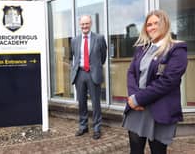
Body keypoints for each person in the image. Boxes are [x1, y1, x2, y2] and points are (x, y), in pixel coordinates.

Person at [123, 10, 188, 154]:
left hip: (159, 109)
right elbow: (131, 72)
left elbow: (167, 82)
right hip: (137, 109)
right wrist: (133, 97)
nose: (151, 27)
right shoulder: (142, 48)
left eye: (155, 23)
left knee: (158, 151)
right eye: (148, 24)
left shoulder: (177, 49)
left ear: (164, 24)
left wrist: (139, 99)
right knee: (135, 150)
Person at [71, 15, 107, 140]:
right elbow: (75, 56)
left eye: (86, 24)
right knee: (81, 102)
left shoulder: (99, 38)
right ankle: (83, 126)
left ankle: (97, 128)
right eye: (82, 24)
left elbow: (103, 57)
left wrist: (95, 67)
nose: (84, 26)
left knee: (96, 103)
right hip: (80, 73)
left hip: (93, 73)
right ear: (79, 25)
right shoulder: (74, 40)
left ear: (90, 24)